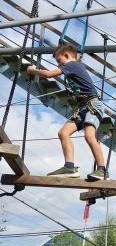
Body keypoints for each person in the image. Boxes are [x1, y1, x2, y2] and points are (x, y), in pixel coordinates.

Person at [27, 43, 108, 180]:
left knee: (89, 136)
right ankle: (69, 167)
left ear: (67, 56)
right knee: (63, 133)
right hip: (82, 107)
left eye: (59, 61)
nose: (59, 64)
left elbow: (48, 75)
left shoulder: (73, 65)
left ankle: (102, 170)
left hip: (92, 104)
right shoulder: (71, 67)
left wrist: (32, 70)